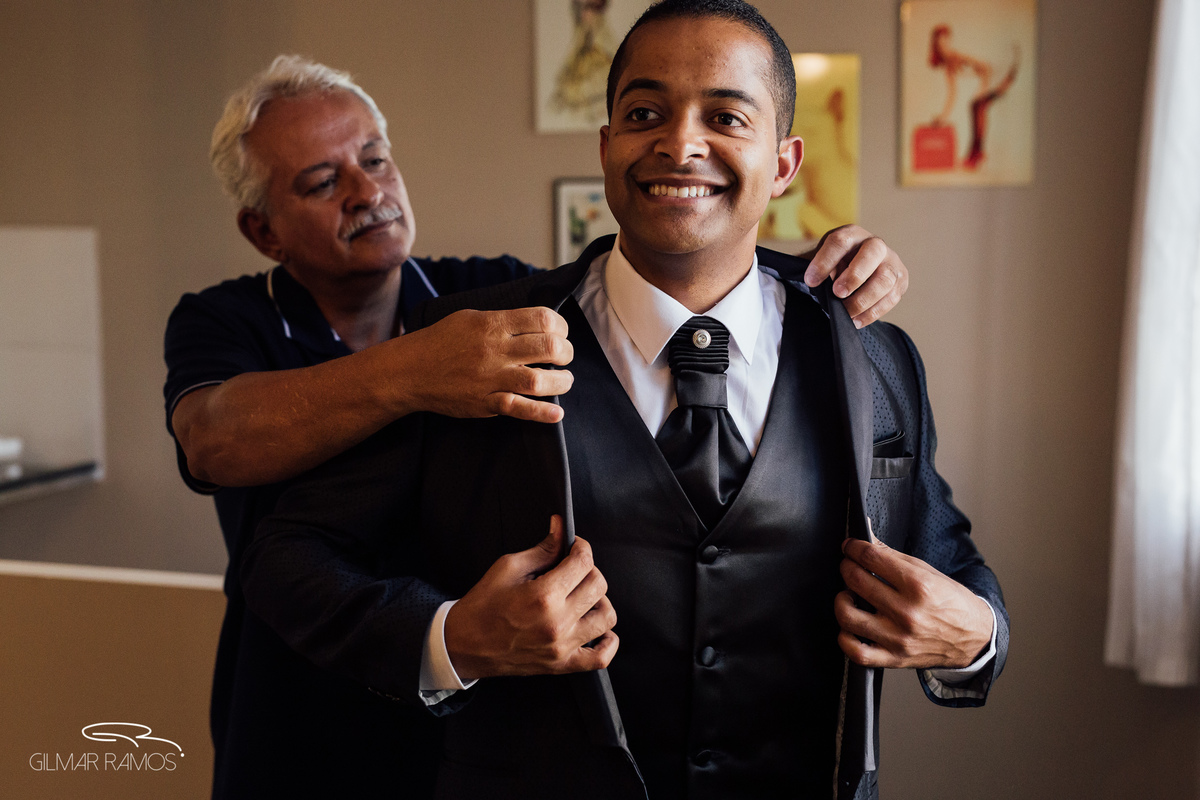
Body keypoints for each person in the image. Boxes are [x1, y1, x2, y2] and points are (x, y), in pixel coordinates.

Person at [244, 2, 1007, 797]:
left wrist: (979, 635)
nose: (680, 142)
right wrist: (455, 640)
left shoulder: (871, 354)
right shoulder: (468, 346)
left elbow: (945, 555)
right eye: (645, 113)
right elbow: (284, 561)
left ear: (784, 164)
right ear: (609, 147)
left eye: (725, 116)